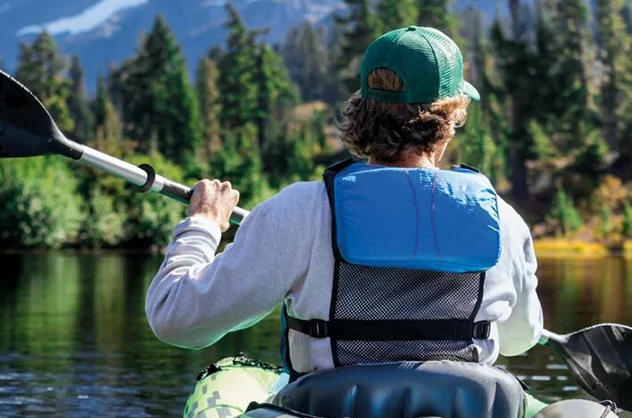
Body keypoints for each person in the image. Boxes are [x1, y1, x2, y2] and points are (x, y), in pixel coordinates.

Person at [145, 26, 543, 379]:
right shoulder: (502, 220)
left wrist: (203, 226)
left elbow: (175, 319)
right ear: (449, 122)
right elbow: (518, 339)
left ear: (362, 109)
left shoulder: (301, 211)